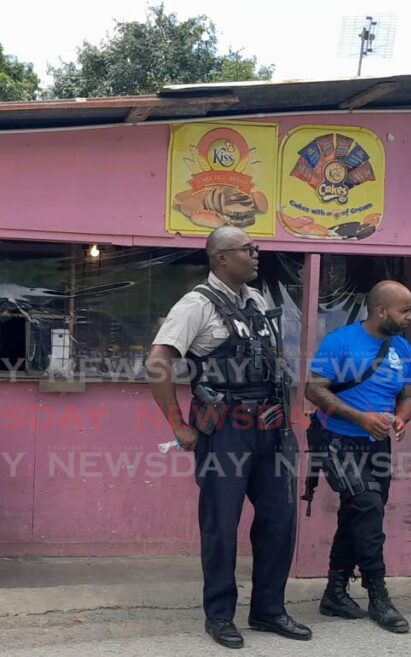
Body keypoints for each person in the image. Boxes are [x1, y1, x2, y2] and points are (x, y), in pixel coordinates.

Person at [146, 226, 310, 649]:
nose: (257, 255)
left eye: (256, 249)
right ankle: (219, 616)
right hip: (225, 434)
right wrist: (178, 425)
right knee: (221, 525)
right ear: (221, 258)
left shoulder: (257, 300)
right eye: (248, 250)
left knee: (280, 520)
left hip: (272, 432)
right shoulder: (196, 305)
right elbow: (158, 362)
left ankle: (269, 610)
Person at [303, 280, 411, 634]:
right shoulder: (341, 342)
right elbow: (313, 389)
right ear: (381, 311)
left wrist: (401, 418)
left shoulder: (402, 348)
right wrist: (360, 417)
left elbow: (408, 397)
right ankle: (378, 595)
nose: (410, 317)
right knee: (367, 507)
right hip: (338, 440)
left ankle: (335, 593)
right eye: (405, 310)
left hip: (377, 446)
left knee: (359, 513)